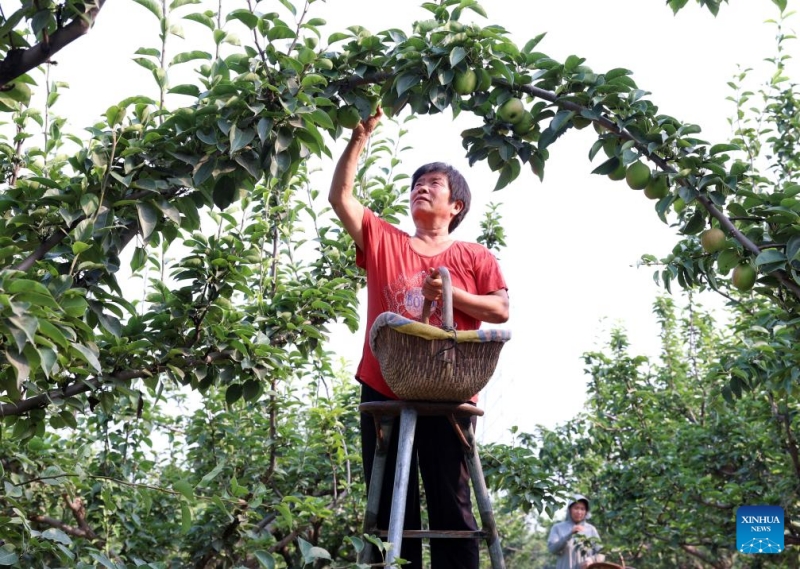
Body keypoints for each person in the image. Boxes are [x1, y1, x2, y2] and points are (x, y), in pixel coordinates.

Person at [328, 107, 510, 569]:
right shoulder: (385, 240)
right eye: (416, 184)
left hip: (448, 386)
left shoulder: (474, 256)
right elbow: (340, 196)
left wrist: (453, 293)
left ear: (456, 207)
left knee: (451, 502)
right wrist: (359, 140)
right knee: (390, 504)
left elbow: (500, 309)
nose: (421, 189)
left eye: (434, 184)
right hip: (386, 382)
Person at [547, 494, 603, 569]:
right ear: (569, 510)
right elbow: (552, 549)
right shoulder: (558, 528)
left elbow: (602, 553)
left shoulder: (591, 529)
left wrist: (591, 560)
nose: (579, 512)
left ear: (586, 512)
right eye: (576, 508)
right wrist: (569, 535)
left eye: (582, 509)